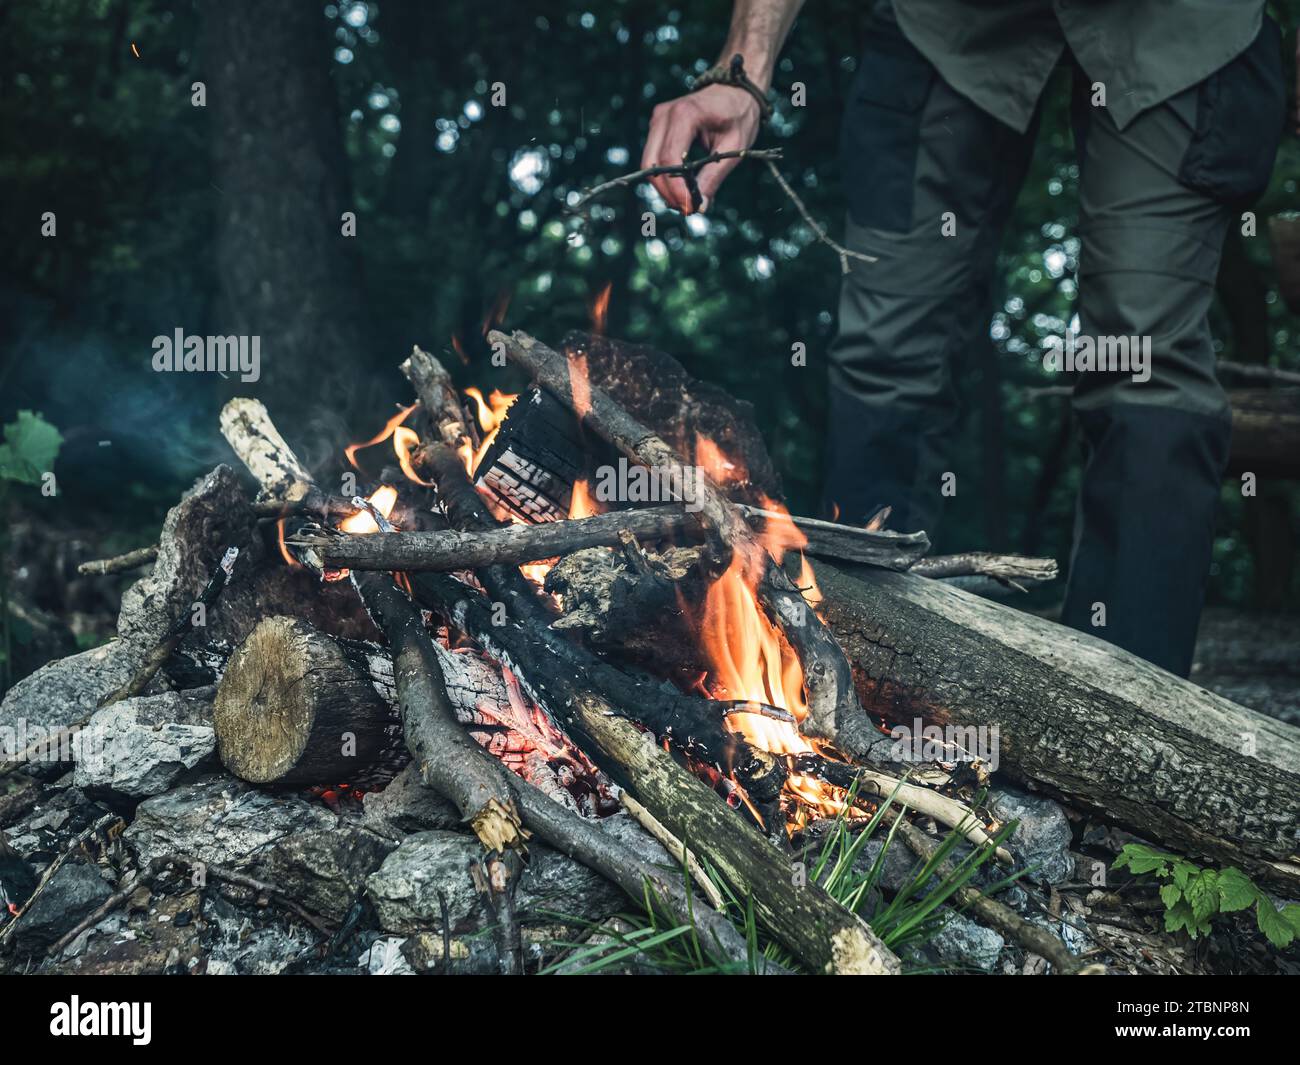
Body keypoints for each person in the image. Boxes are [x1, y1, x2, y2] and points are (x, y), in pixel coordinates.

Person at [641, 0, 1288, 676]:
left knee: (1148, 364)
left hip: (1180, 30)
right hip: (944, 27)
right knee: (885, 350)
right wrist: (742, 70)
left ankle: (1136, 718)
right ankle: (853, 682)